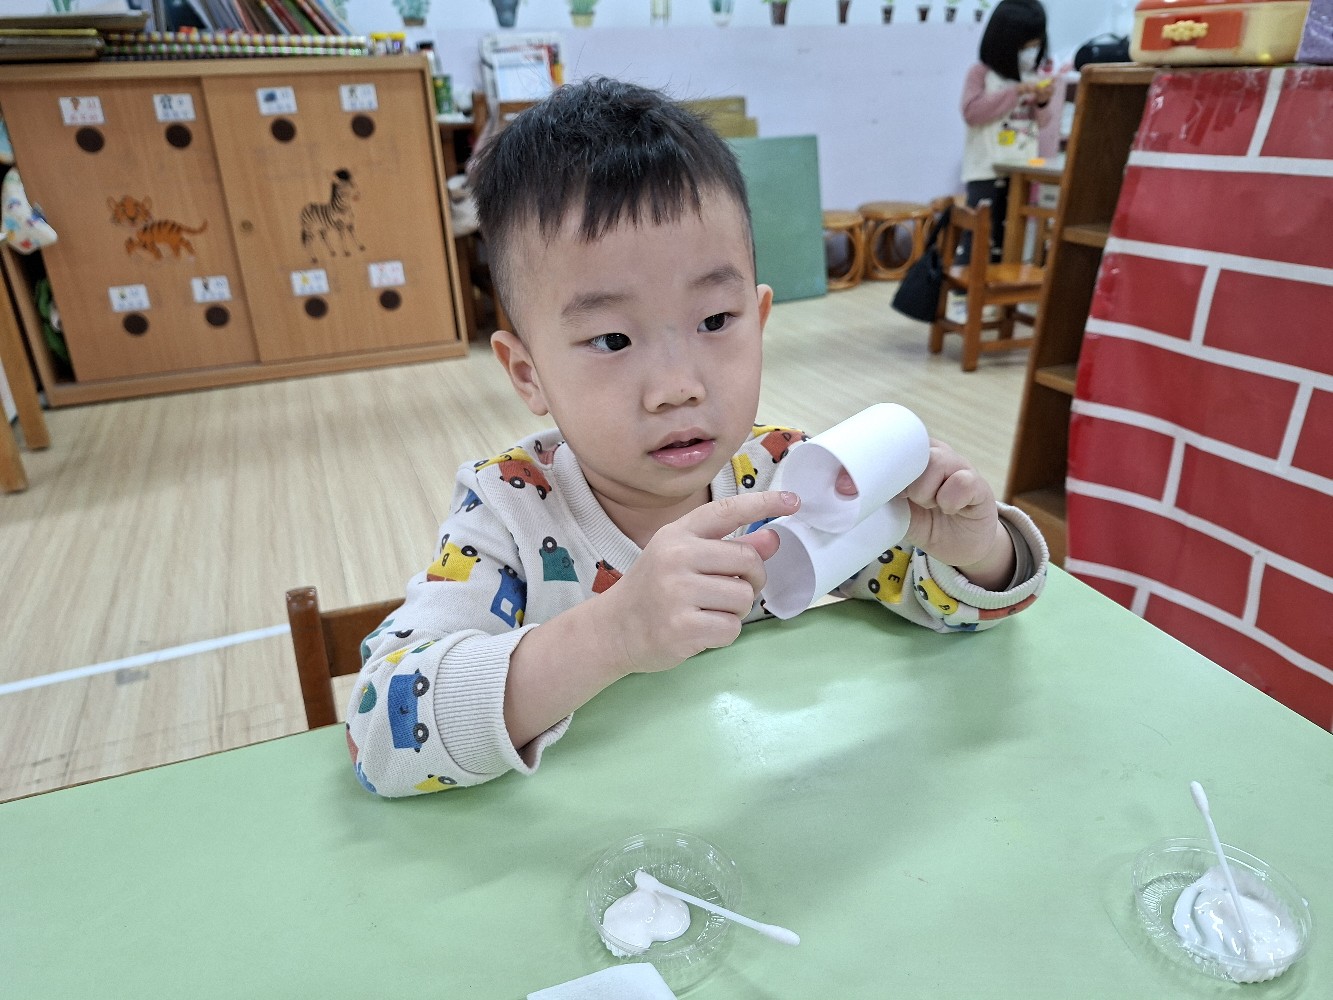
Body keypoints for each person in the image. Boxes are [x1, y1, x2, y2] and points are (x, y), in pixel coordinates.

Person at [345, 78, 1049, 798]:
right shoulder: (507, 511)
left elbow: (948, 608)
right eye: (611, 339)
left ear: (759, 320)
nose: (677, 386)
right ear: (529, 374)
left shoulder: (781, 476)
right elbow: (379, 734)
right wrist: (613, 633)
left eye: (715, 321)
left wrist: (976, 551)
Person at [960, 0, 1056, 262]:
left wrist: (1042, 101)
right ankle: (967, 283)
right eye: (1024, 48)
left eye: (1035, 46)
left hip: (1022, 170)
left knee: (1013, 239)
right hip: (986, 171)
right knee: (980, 240)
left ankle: (1003, 283)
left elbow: (1043, 122)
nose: (1030, 53)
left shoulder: (1032, 74)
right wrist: (1014, 93)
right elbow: (971, 112)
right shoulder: (981, 73)